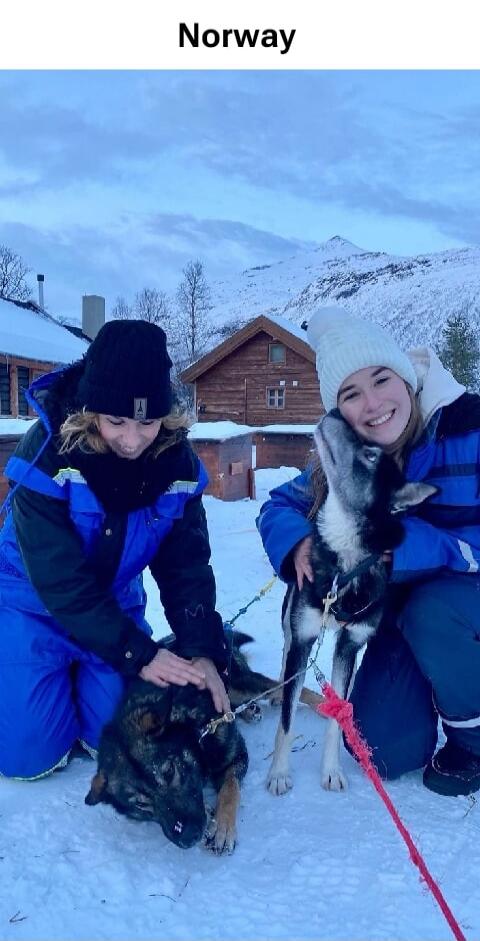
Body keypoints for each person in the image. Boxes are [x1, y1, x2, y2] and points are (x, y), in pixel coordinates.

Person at [257, 305, 480, 797]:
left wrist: (410, 550)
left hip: (463, 595)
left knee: (432, 611)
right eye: (351, 394)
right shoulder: (349, 457)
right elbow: (280, 505)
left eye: (381, 380)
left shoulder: (470, 427)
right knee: (386, 750)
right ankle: (421, 687)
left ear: (405, 376)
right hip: (389, 609)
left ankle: (473, 737)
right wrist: (296, 541)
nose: (373, 403)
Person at [0, 319, 229, 781]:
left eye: (147, 421)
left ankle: (77, 679)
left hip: (115, 606)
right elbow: (59, 582)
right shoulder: (46, 454)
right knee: (26, 757)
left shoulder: (177, 466)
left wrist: (202, 649)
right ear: (90, 411)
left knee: (117, 733)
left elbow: (186, 568)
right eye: (116, 421)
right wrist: (139, 654)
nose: (131, 438)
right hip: (33, 604)